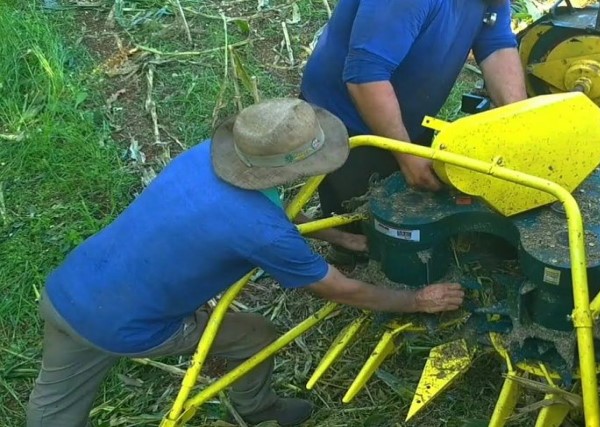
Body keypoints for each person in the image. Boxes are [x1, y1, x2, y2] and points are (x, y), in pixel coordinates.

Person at [26, 98, 465, 427]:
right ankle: (260, 411)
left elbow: (260, 216)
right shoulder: (260, 230)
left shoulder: (204, 158)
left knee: (55, 401)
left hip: (68, 289)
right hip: (128, 328)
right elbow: (335, 287)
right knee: (255, 335)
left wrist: (334, 233)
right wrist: (415, 301)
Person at [299, 0, 528, 243]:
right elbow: (365, 78)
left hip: (406, 111)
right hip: (345, 117)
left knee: (421, 212)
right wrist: (406, 155)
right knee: (369, 226)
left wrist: (520, 124)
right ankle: (345, 253)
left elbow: (497, 46)